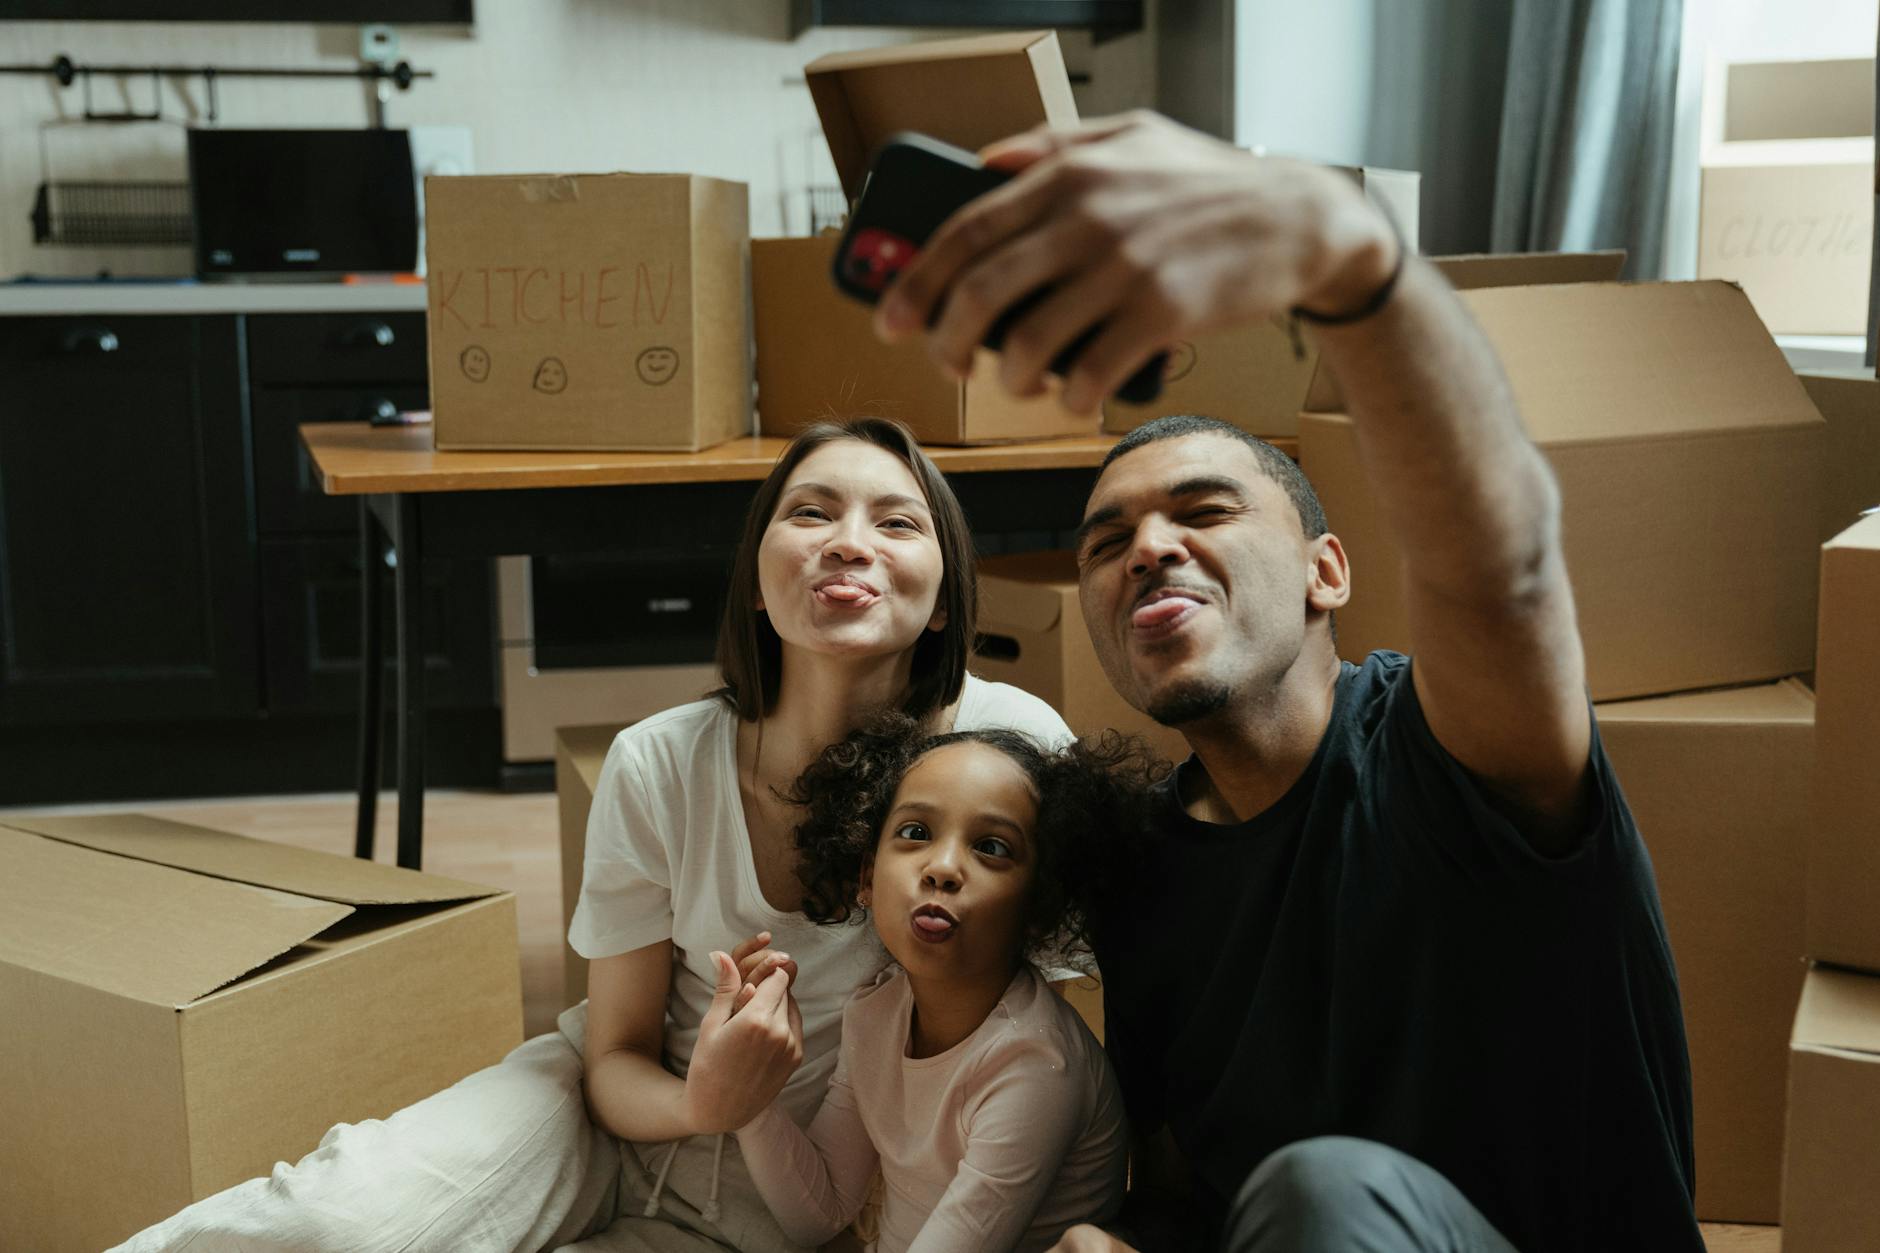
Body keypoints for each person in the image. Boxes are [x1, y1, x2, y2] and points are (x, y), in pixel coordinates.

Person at [869, 112, 1703, 1253]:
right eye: (1106, 543)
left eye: (1203, 511)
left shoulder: (1446, 751)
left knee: (1326, 1191)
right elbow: (1190, 1179)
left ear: (1326, 570)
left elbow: (1497, 569)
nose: (1147, 547)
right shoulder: (1147, 878)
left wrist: (1349, 260)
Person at [115, 417, 1071, 1253]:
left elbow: (1067, 1022)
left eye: (896, 521)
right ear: (755, 579)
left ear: (946, 595)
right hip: (595, 1117)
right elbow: (613, 1053)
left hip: (798, 1195)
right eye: (811, 513)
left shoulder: (1012, 753)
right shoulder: (659, 760)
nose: (848, 543)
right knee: (339, 1222)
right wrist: (705, 1101)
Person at [727, 719, 1147, 1252]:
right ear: (867, 879)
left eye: (992, 847)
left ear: (1039, 908)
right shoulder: (876, 1012)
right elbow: (822, 1211)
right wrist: (751, 1092)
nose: (943, 868)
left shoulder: (1035, 1067)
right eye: (916, 833)